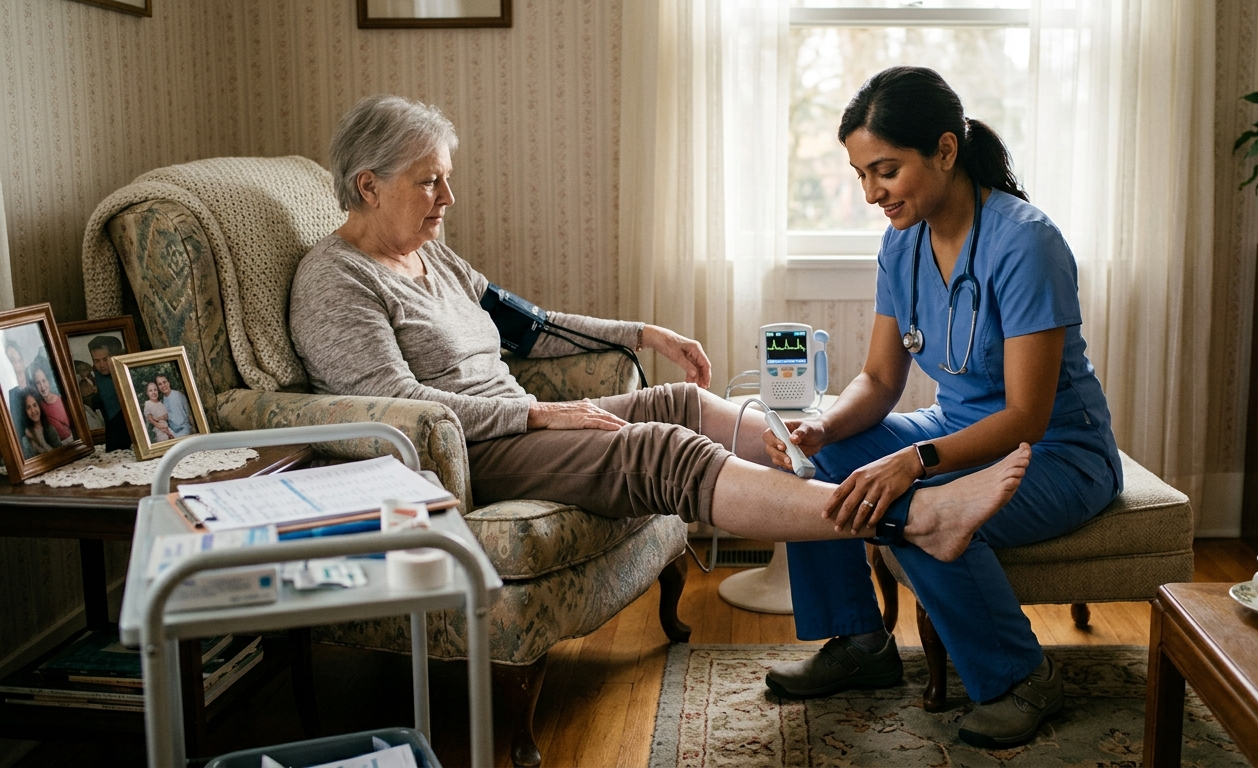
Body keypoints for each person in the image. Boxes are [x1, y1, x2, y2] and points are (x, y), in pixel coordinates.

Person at [288, 94, 1032, 576]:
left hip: (520, 428)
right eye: (430, 181)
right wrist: (539, 414)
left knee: (682, 403)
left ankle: (830, 474)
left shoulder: (430, 256)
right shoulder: (338, 281)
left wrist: (647, 333)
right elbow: (401, 410)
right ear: (368, 185)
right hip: (472, 455)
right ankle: (918, 518)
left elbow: (533, 328)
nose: (447, 197)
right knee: (664, 450)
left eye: (446, 179)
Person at [756, 67, 1123, 749]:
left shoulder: (1026, 243)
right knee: (818, 463)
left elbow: (1026, 418)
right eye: (862, 174)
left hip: (1057, 455)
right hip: (957, 431)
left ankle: (1020, 677)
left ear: (946, 151)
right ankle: (861, 642)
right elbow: (878, 377)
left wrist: (914, 464)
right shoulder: (903, 241)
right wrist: (822, 428)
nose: (871, 193)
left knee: (908, 506)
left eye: (885, 170)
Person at [87, 335, 130, 449]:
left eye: (105, 359)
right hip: (113, 432)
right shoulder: (93, 378)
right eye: (96, 361)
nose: (101, 365)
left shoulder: (128, 372)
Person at [28, 367, 72, 442]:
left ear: (49, 381)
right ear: (35, 386)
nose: (42, 386)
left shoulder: (62, 401)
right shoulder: (38, 407)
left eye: (44, 381)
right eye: (38, 383)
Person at [19, 390, 64, 458]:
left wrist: (36, 444)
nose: (33, 411)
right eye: (28, 408)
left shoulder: (50, 429)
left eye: (35, 405)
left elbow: (60, 456)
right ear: (25, 412)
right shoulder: (25, 440)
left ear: (39, 406)